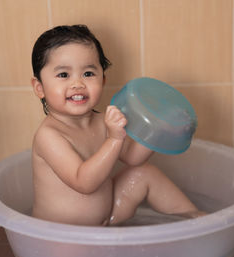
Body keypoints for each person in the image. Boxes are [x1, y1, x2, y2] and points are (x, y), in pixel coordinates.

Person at [30, 25, 204, 226]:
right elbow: (84, 182)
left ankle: (196, 219)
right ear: (39, 87)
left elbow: (132, 157)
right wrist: (114, 139)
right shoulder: (49, 136)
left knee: (143, 173)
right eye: (63, 75)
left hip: (106, 219)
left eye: (88, 73)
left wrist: (161, 127)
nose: (77, 83)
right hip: (63, 237)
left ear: (103, 80)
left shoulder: (102, 121)